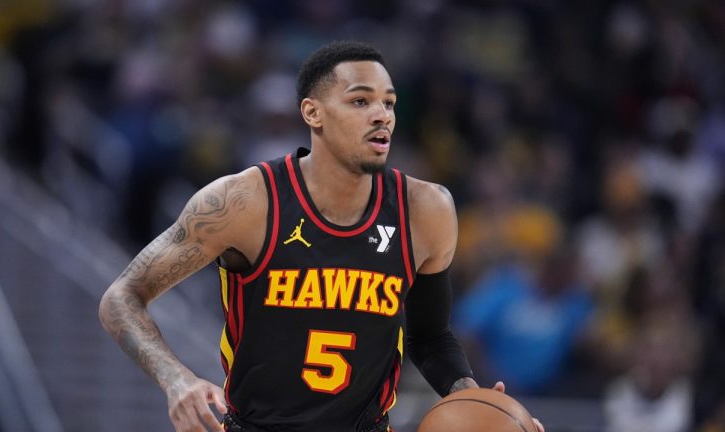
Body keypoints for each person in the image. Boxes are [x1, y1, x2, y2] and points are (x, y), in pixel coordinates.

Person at [99, 40, 546, 432]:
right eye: (360, 101)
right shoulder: (244, 202)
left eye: (389, 103)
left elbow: (429, 336)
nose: (381, 115)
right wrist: (177, 381)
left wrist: (477, 403)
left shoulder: (426, 210)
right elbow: (121, 297)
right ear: (312, 112)